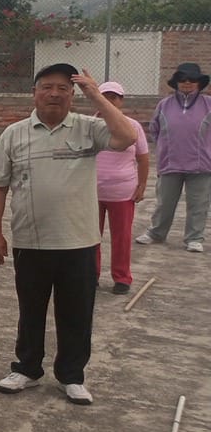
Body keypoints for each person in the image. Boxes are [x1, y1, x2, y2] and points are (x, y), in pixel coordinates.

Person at [0, 64, 136, 405]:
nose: (54, 93)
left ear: (73, 95)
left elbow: (127, 137)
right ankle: (26, 369)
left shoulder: (89, 128)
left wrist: (95, 93)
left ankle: (71, 376)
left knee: (77, 313)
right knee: (31, 311)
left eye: (63, 88)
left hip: (79, 241)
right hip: (30, 241)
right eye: (47, 87)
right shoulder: (13, 134)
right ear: (34, 92)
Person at [136, 62, 211, 254]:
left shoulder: (208, 104)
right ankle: (156, 233)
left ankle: (194, 238)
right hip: (170, 163)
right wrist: (165, 148)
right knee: (164, 203)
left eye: (192, 79)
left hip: (201, 165)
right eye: (182, 79)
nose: (187, 82)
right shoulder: (164, 104)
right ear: (176, 81)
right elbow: (155, 129)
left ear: (199, 83)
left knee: (198, 205)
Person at [94, 82, 149, 294]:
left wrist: (141, 185)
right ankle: (90, 274)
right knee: (90, 237)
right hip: (91, 192)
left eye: (114, 97)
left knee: (122, 238)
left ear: (121, 101)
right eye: (104, 96)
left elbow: (143, 158)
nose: (109, 101)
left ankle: (122, 278)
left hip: (122, 192)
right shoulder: (90, 125)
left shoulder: (132, 126)